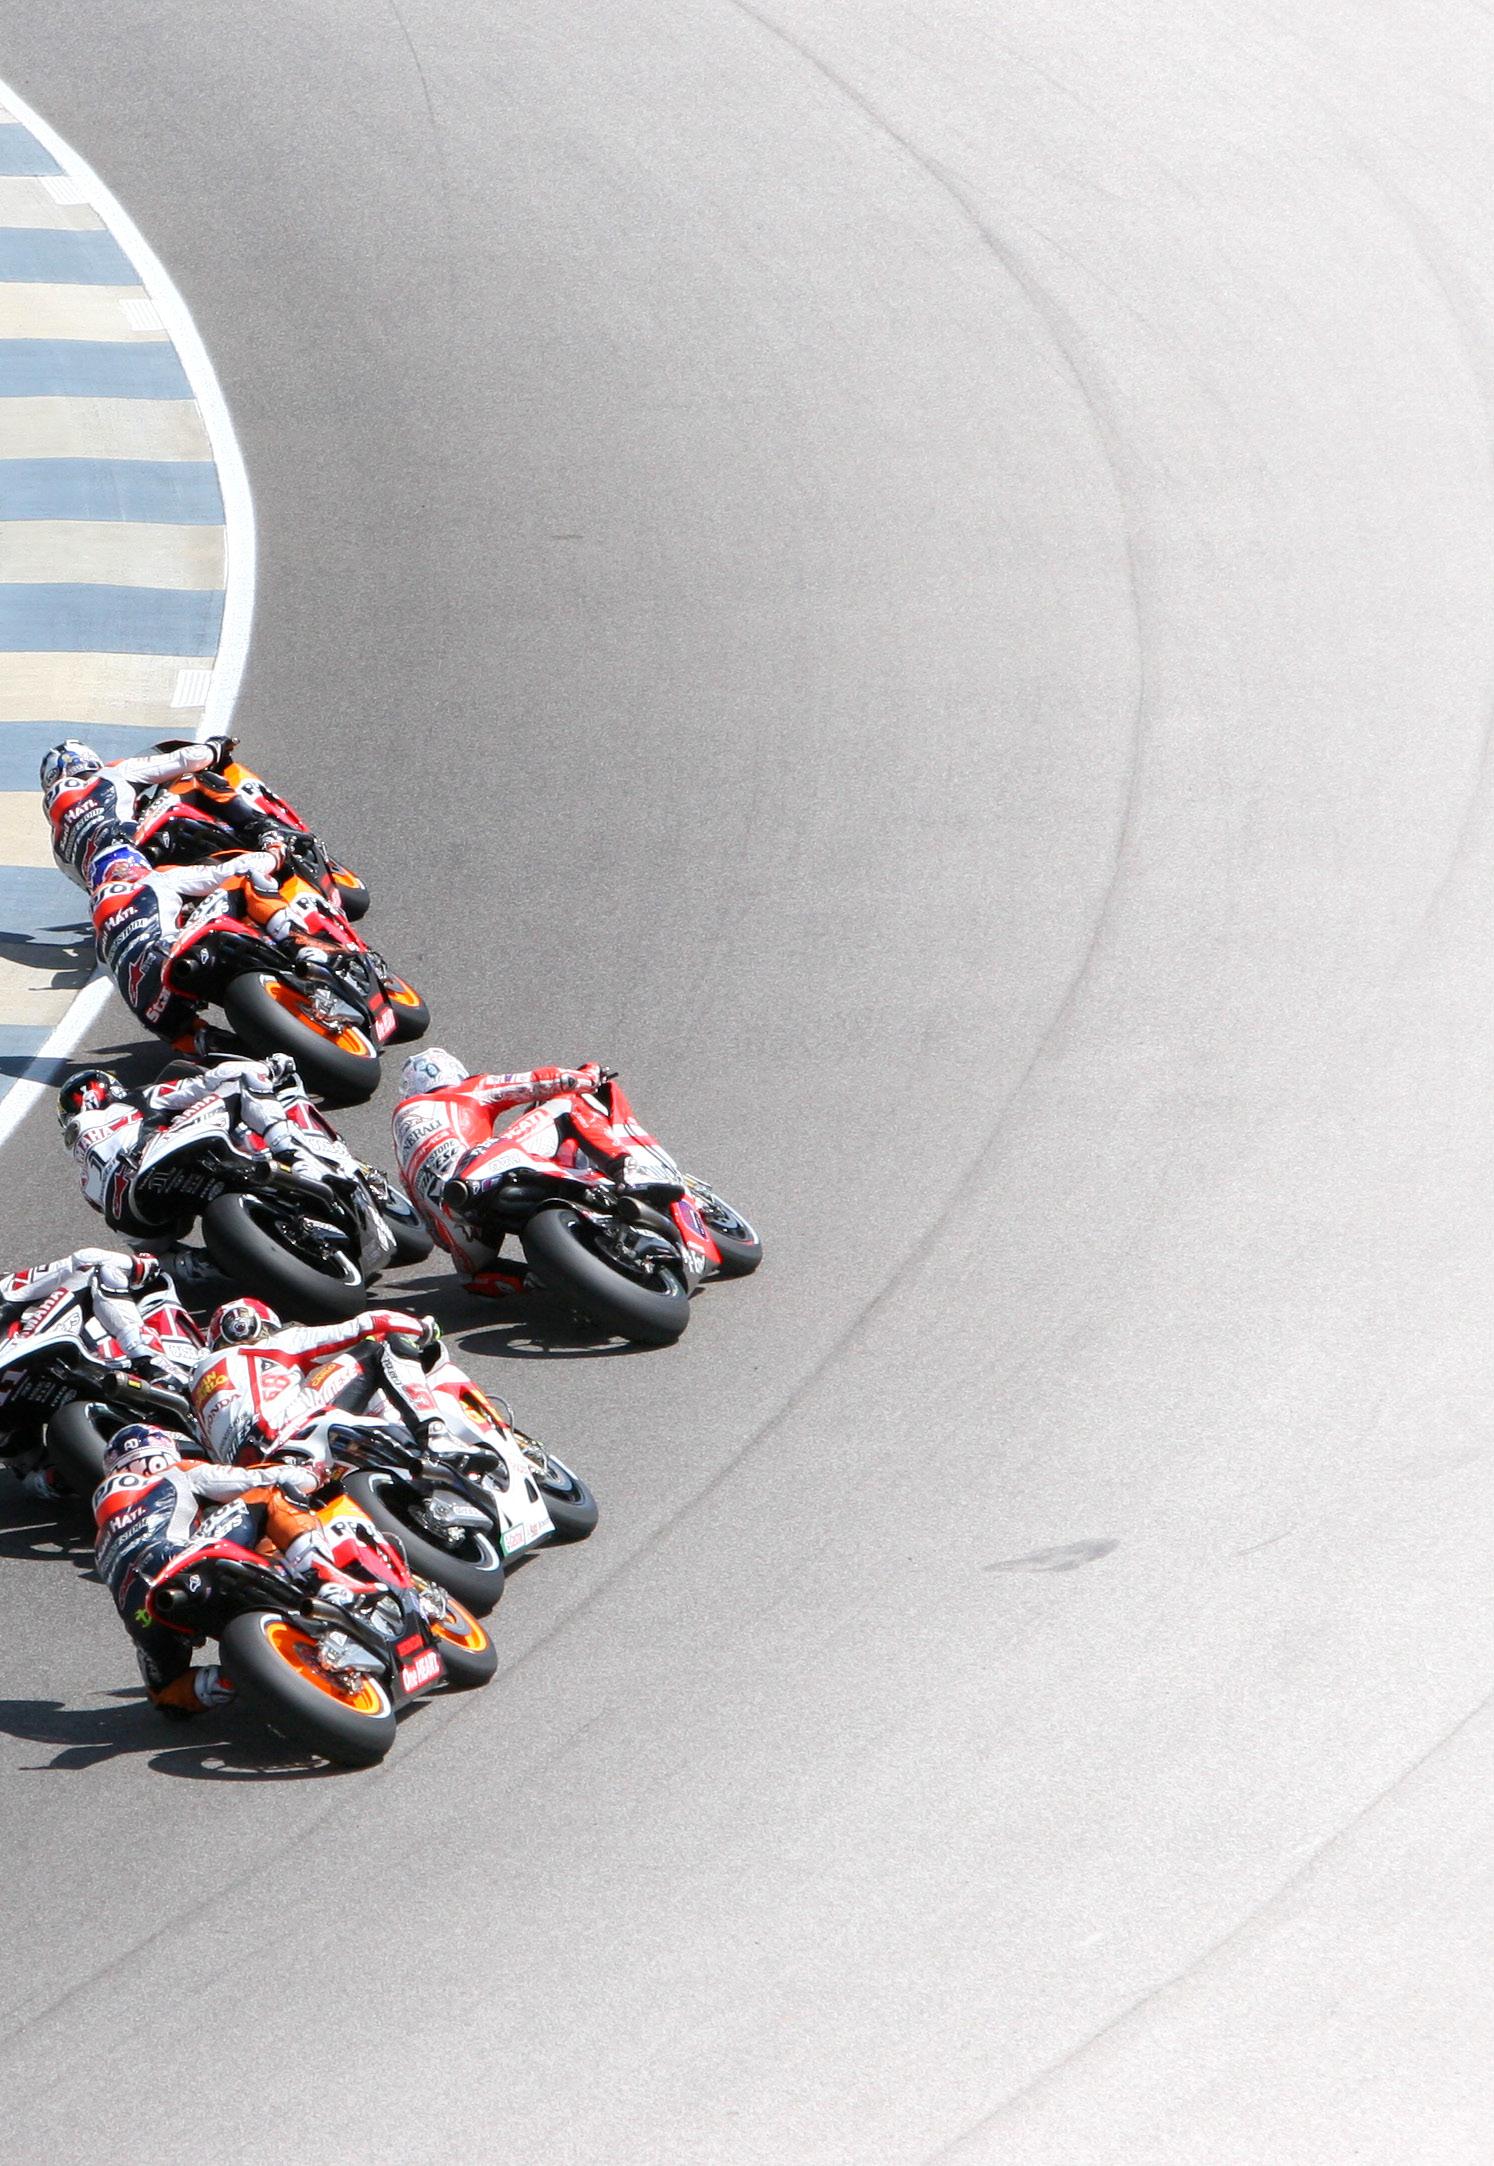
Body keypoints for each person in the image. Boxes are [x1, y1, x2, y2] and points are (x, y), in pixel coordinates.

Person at [92, 1420, 327, 1717]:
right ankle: (321, 1576)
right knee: (270, 1493)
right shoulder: (177, 1471)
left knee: (162, 1692)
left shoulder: (100, 1543)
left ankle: (226, 1682)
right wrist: (312, 1474)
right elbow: (257, 1480)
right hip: (183, 1562)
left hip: (144, 1613)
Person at [389, 1050, 626, 1296]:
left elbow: (423, 1214)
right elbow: (536, 1082)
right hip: (479, 1172)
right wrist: (589, 1076)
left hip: (456, 1219)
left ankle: (542, 1282)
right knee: (567, 1101)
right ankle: (623, 1166)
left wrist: (454, 1242)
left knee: (473, 1276)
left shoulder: (400, 1137)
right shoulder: (465, 1089)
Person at [58, 1057, 305, 1240]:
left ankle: (195, 1265)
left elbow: (178, 1229)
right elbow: (208, 1082)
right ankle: (291, 1153)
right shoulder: (134, 1100)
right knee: (240, 1078)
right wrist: (271, 1067)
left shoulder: (85, 1181)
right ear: (113, 1091)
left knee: (165, 1257)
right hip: (159, 1154)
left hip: (132, 1219)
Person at [87, 836, 290, 1053]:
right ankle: (295, 940)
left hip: (149, 1006)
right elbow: (222, 873)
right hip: (175, 952)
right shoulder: (154, 880)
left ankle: (220, 1048)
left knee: (187, 1038)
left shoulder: (100, 948)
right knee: (243, 879)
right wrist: (274, 853)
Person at [0, 1249, 175, 1501]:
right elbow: (24, 1474)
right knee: (37, 1475)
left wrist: (137, 1266)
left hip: (49, 1347)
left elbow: (80, 1262)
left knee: (96, 1266)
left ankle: (152, 1361)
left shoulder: (6, 1291)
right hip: (28, 1414)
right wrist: (49, 1481)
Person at [189, 1298, 441, 1466]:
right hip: (286, 1431)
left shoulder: (196, 1392)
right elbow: (366, 1324)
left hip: (253, 1474)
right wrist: (423, 1328)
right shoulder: (278, 1342)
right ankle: (435, 1434)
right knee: (381, 1344)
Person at [42, 734, 258, 886]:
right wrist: (214, 747)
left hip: (124, 881)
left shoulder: (58, 850)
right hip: (137, 848)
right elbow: (185, 759)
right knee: (191, 777)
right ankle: (259, 826)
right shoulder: (111, 774)